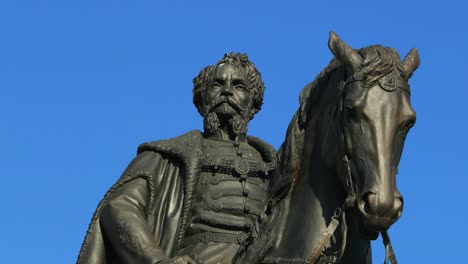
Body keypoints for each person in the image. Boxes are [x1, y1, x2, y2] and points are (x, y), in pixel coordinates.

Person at [77, 53, 277, 264]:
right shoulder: (165, 157)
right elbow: (120, 206)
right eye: (217, 84)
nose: (226, 91)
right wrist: (158, 260)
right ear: (201, 100)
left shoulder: (277, 165)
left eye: (238, 86)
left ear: (253, 103)